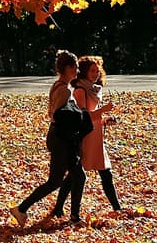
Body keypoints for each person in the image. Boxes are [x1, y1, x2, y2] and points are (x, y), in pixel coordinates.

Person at [9, 49, 86, 226]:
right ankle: (21, 209)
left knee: (75, 176)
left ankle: (72, 216)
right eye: (74, 67)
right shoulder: (65, 90)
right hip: (61, 138)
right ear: (66, 68)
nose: (76, 70)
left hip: (58, 136)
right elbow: (57, 114)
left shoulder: (58, 85)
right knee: (57, 181)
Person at [51, 55, 120, 215]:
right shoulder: (81, 90)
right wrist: (103, 111)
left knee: (105, 172)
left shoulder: (94, 89)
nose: (96, 74)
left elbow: (94, 117)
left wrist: (105, 119)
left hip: (96, 137)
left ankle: (117, 208)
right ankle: (59, 208)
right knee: (75, 175)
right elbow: (83, 117)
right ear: (84, 72)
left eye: (97, 70)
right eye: (92, 71)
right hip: (86, 138)